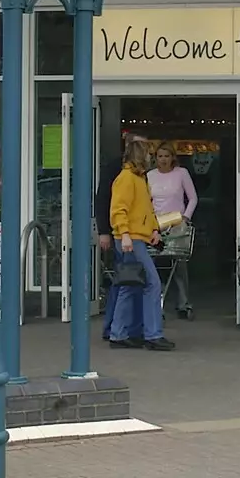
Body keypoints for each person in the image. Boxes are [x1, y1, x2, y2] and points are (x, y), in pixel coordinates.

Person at [108, 135, 175, 351]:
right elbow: (119, 209)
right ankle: (152, 334)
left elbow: (143, 209)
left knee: (131, 285)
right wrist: (126, 233)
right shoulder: (128, 178)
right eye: (147, 153)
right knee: (151, 283)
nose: (151, 156)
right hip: (131, 238)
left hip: (134, 236)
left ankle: (120, 333)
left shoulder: (137, 178)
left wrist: (153, 229)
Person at [96, 133, 139, 343]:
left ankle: (115, 327)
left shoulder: (137, 172)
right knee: (126, 281)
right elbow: (105, 199)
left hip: (128, 232)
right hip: (124, 234)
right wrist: (104, 230)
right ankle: (118, 329)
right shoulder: (120, 170)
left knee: (123, 280)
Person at [147, 144, 198, 317]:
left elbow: (192, 198)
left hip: (176, 223)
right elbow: (146, 200)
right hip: (155, 225)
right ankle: (157, 299)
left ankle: (183, 303)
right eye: (160, 156)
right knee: (153, 262)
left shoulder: (181, 173)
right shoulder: (150, 176)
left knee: (179, 264)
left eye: (166, 156)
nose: (163, 159)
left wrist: (186, 217)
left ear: (172, 157)